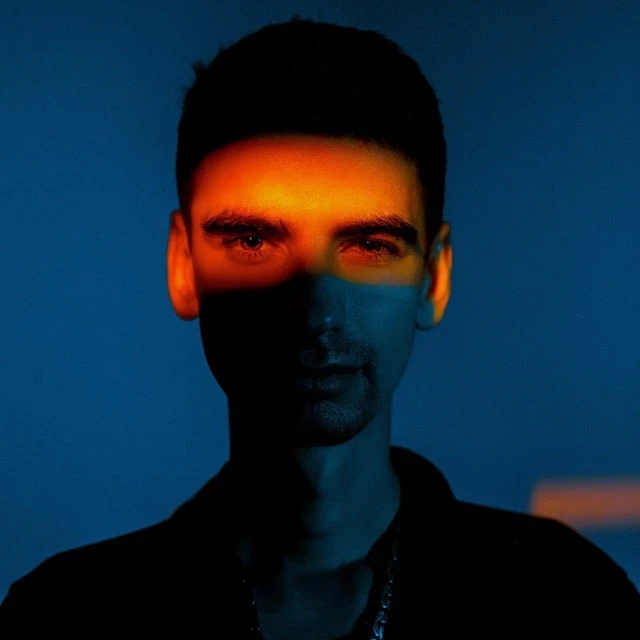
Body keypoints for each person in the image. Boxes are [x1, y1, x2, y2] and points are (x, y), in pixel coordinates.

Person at [2, 15, 638, 638]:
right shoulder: (63, 620)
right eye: (253, 241)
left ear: (434, 278)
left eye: (370, 246)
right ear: (183, 264)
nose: (317, 311)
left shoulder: (566, 603)